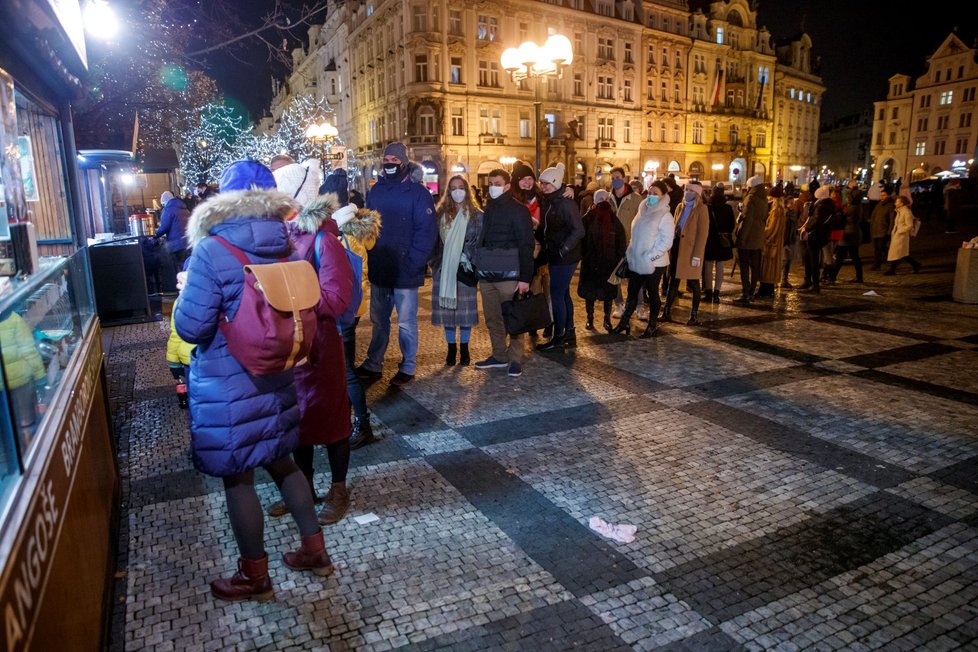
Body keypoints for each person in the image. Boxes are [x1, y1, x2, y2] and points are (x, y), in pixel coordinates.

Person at [174, 160, 332, 602]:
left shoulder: (212, 250)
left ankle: (254, 576)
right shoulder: (285, 245)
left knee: (238, 476)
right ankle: (315, 550)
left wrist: (187, 291)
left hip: (229, 383)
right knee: (283, 460)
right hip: (276, 373)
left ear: (221, 203)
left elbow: (191, 328)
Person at [268, 162, 356, 527]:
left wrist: (293, 298)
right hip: (290, 346)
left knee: (331, 419)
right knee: (297, 420)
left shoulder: (324, 239)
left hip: (320, 347)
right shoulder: (278, 237)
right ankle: (303, 486)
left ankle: (338, 488)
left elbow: (337, 298)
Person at [356, 142, 438, 386]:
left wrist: (413, 263)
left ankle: (408, 365)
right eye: (386, 158)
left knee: (406, 323)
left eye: (394, 159)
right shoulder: (376, 190)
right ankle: (374, 364)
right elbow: (368, 227)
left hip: (405, 270)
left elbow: (426, 232)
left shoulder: (418, 193)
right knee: (379, 321)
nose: (389, 162)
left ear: (403, 162)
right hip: (380, 268)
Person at [318, 169, 382, 450]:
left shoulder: (343, 232)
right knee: (342, 366)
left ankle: (362, 424)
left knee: (346, 370)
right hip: (352, 306)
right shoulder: (354, 227)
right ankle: (345, 418)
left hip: (342, 308)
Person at [473, 169, 535, 377]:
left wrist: (525, 278)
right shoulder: (489, 208)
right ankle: (498, 355)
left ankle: (515, 359)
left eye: (497, 183)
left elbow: (527, 245)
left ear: (507, 186)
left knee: (513, 318)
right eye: (490, 183)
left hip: (510, 275)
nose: (492, 187)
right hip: (488, 274)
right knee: (492, 318)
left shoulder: (519, 211)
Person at [431, 175, 483, 365]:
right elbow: (433, 242)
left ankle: (465, 349)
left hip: (465, 271)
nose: (457, 191)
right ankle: (451, 350)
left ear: (467, 190)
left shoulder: (477, 215)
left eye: (461, 187)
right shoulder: (440, 215)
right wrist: (434, 263)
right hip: (444, 271)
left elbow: (480, 244)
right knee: (448, 313)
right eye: (453, 188)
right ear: (448, 191)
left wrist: (471, 262)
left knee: (465, 312)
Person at [612, 180, 674, 337]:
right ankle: (624, 323)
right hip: (637, 260)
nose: (651, 196)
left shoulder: (665, 215)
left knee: (653, 292)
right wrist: (631, 252)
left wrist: (650, 256)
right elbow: (635, 235)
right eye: (650, 193)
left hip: (655, 262)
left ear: (663, 196)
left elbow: (666, 241)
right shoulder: (642, 210)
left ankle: (652, 325)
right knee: (632, 292)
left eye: (656, 194)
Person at [535, 163, 585, 351]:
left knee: (557, 294)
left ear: (556, 184)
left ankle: (559, 336)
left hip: (564, 257)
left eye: (547, 183)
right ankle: (569, 333)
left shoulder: (565, 203)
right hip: (556, 254)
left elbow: (579, 230)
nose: (543, 186)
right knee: (563, 294)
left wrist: (563, 249)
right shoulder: (550, 200)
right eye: (542, 183)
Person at [577, 189, 626, 332]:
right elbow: (581, 239)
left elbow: (621, 241)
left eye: (605, 198)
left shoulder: (614, 220)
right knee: (590, 293)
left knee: (608, 294)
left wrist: (617, 259)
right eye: (600, 198)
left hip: (608, 264)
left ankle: (607, 319)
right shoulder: (588, 218)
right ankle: (590, 318)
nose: (603, 201)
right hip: (591, 264)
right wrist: (584, 256)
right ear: (595, 201)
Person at [661, 182, 709, 324]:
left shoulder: (701, 209)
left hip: (690, 251)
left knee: (694, 282)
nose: (686, 192)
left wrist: (697, 255)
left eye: (690, 190)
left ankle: (693, 315)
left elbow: (702, 234)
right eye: (686, 189)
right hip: (677, 249)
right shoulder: (680, 206)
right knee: (672, 281)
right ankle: (666, 312)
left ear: (697, 194)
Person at [733, 175, 767, 303]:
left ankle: (745, 293)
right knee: (755, 266)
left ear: (751, 186)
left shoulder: (750, 198)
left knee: (744, 267)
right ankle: (752, 291)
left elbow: (747, 220)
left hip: (748, 238)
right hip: (758, 236)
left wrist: (741, 238)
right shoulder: (763, 198)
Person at [797, 185, 834, 293]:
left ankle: (815, 284)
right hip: (820, 234)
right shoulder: (825, 204)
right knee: (808, 257)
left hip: (817, 235)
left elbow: (816, 219)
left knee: (813, 259)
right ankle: (808, 280)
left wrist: (807, 228)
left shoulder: (822, 205)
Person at [703, 183, 735, 303]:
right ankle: (717, 293)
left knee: (708, 267)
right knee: (720, 267)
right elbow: (731, 225)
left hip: (709, 241)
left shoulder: (708, 207)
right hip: (722, 241)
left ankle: (708, 292)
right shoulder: (727, 208)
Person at [755, 185, 788, 298]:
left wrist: (763, 235)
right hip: (775, 242)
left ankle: (765, 290)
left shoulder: (776, 211)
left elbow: (772, 228)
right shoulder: (780, 210)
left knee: (768, 267)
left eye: (770, 196)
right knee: (770, 267)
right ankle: (767, 290)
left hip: (771, 242)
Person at [829, 183, 865, 283]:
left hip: (848, 234)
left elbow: (843, 215)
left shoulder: (852, 207)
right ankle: (859, 277)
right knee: (853, 256)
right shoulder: (857, 206)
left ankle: (833, 277)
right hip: (852, 233)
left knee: (841, 256)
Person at [155, 190, 191, 280]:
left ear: (165, 201)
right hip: (188, 242)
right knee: (186, 266)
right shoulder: (184, 208)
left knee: (178, 268)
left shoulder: (169, 209)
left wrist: (155, 236)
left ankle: (181, 289)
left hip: (176, 244)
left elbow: (164, 227)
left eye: (163, 204)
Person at [884, 195, 922, 275]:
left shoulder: (906, 212)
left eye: (897, 202)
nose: (895, 203)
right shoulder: (899, 211)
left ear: (902, 203)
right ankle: (916, 265)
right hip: (897, 235)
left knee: (898, 252)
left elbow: (909, 225)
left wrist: (899, 231)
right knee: (901, 253)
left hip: (901, 236)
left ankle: (892, 270)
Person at [869, 186, 895, 270]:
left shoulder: (890, 206)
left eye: (884, 195)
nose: (882, 197)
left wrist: (889, 231)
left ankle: (882, 263)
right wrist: (872, 226)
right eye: (881, 195)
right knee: (877, 249)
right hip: (876, 230)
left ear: (888, 196)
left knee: (881, 248)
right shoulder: (878, 205)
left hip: (883, 230)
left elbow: (891, 220)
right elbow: (873, 216)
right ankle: (878, 264)